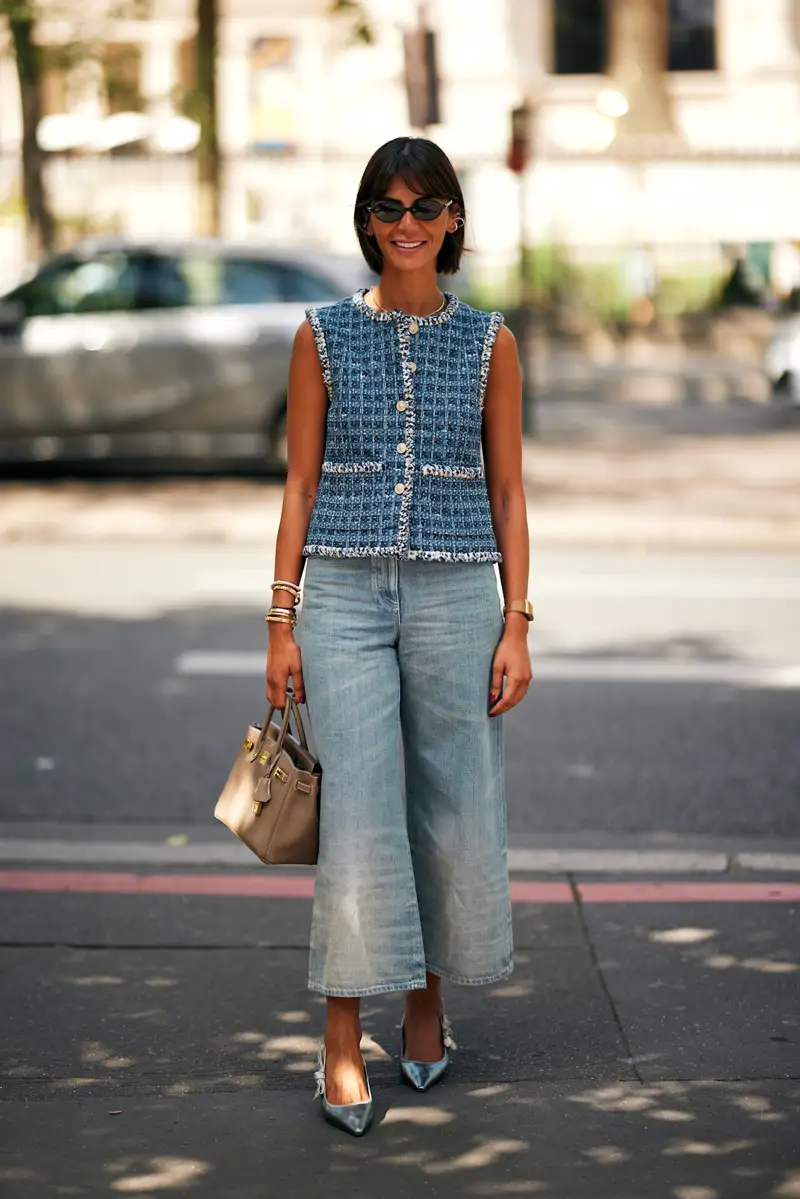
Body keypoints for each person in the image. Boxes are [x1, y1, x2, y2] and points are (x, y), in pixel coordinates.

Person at [265, 136, 533, 1136]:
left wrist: (517, 621)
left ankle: (425, 1000)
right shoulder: (321, 334)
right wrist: (279, 618)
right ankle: (339, 1038)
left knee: (450, 808)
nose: (406, 225)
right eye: (387, 208)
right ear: (366, 222)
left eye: (424, 208)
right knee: (358, 815)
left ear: (453, 219)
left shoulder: (491, 340)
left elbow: (508, 487)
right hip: (338, 594)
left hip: (461, 595)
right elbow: (297, 483)